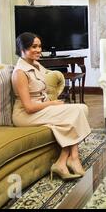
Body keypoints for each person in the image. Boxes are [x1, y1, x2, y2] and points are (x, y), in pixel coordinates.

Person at [12, 32, 91, 181]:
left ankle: (63, 161)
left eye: (39, 46)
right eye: (34, 46)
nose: (38, 50)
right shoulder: (20, 73)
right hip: (25, 115)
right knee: (76, 112)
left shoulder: (34, 64)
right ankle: (73, 157)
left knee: (82, 109)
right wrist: (52, 103)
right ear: (23, 48)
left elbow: (49, 75)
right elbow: (28, 107)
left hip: (41, 108)